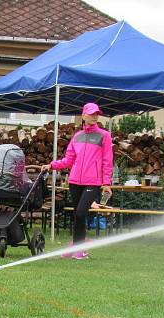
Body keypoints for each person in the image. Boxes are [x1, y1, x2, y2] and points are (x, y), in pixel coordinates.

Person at [41, 102, 113, 260]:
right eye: (92, 113)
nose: (95, 116)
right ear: (84, 115)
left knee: (81, 212)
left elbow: (108, 161)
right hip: (74, 182)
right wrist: (52, 165)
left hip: (93, 182)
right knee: (77, 215)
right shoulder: (77, 136)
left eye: (97, 114)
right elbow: (68, 160)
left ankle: (81, 248)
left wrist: (106, 183)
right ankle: (76, 246)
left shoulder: (104, 136)